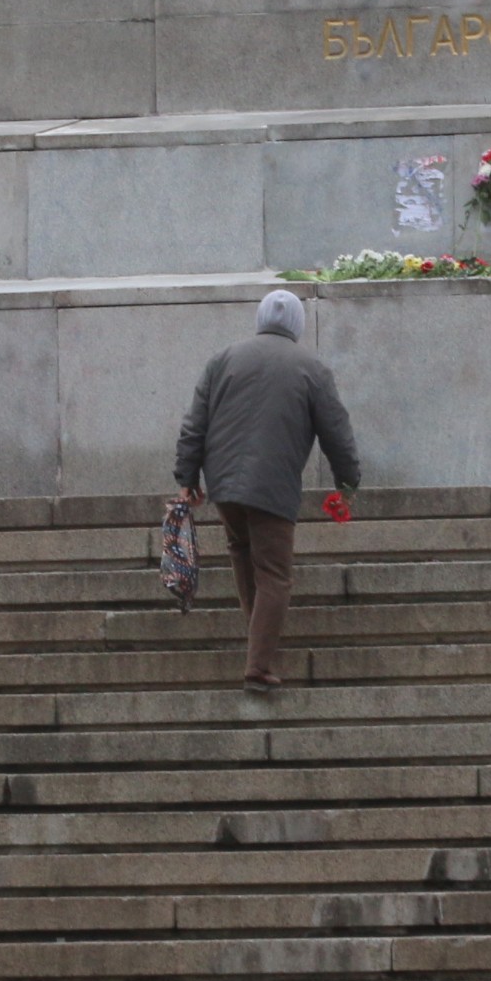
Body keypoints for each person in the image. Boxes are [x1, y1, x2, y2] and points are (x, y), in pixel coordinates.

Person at [172, 290, 361, 694]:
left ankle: (257, 644)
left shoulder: (222, 360)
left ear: (260, 319)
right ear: (297, 325)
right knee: (274, 574)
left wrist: (187, 478)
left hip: (224, 484)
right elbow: (337, 433)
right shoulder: (311, 368)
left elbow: (194, 424)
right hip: (272, 486)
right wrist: (347, 483)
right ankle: (258, 667)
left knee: (243, 554)